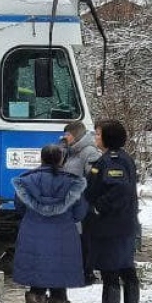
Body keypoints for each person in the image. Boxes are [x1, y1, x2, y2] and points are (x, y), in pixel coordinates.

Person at [11, 143, 88, 303]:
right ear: (61, 160)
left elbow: (19, 207)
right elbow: (80, 213)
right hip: (64, 239)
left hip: (33, 236)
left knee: (36, 284)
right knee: (59, 287)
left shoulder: (27, 181)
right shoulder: (73, 183)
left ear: (42, 159)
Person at [80, 119, 141, 303]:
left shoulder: (112, 160)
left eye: (98, 134)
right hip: (123, 225)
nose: (96, 138)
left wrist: (97, 207)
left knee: (111, 274)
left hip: (111, 227)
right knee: (128, 273)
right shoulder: (122, 157)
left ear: (108, 137)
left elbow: (119, 189)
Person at [62, 121, 102, 285]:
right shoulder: (72, 152)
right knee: (77, 238)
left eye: (68, 135)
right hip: (74, 204)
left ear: (76, 135)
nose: (65, 138)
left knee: (86, 239)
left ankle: (87, 272)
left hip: (84, 204)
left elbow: (95, 178)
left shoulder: (89, 152)